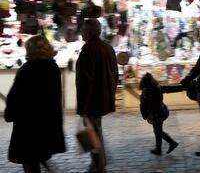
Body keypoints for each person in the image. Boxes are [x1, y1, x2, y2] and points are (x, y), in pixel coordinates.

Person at [4, 35, 66, 173]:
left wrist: (10, 113)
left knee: (29, 162)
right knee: (38, 157)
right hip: (46, 123)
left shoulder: (28, 68)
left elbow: (16, 95)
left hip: (28, 124)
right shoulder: (53, 67)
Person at [76, 19, 119, 173]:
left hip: (92, 100)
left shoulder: (88, 50)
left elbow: (86, 81)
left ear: (89, 31)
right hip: (103, 98)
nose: (81, 32)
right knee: (95, 131)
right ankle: (99, 163)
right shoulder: (107, 48)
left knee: (93, 133)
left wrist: (83, 107)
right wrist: (110, 93)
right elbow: (115, 74)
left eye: (83, 29)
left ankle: (99, 166)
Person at [139, 73, 182, 155]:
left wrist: (144, 116)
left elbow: (143, 106)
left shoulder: (145, 93)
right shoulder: (157, 87)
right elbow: (170, 89)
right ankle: (158, 149)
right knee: (157, 130)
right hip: (162, 111)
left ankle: (172, 143)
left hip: (154, 114)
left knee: (158, 131)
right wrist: (182, 87)